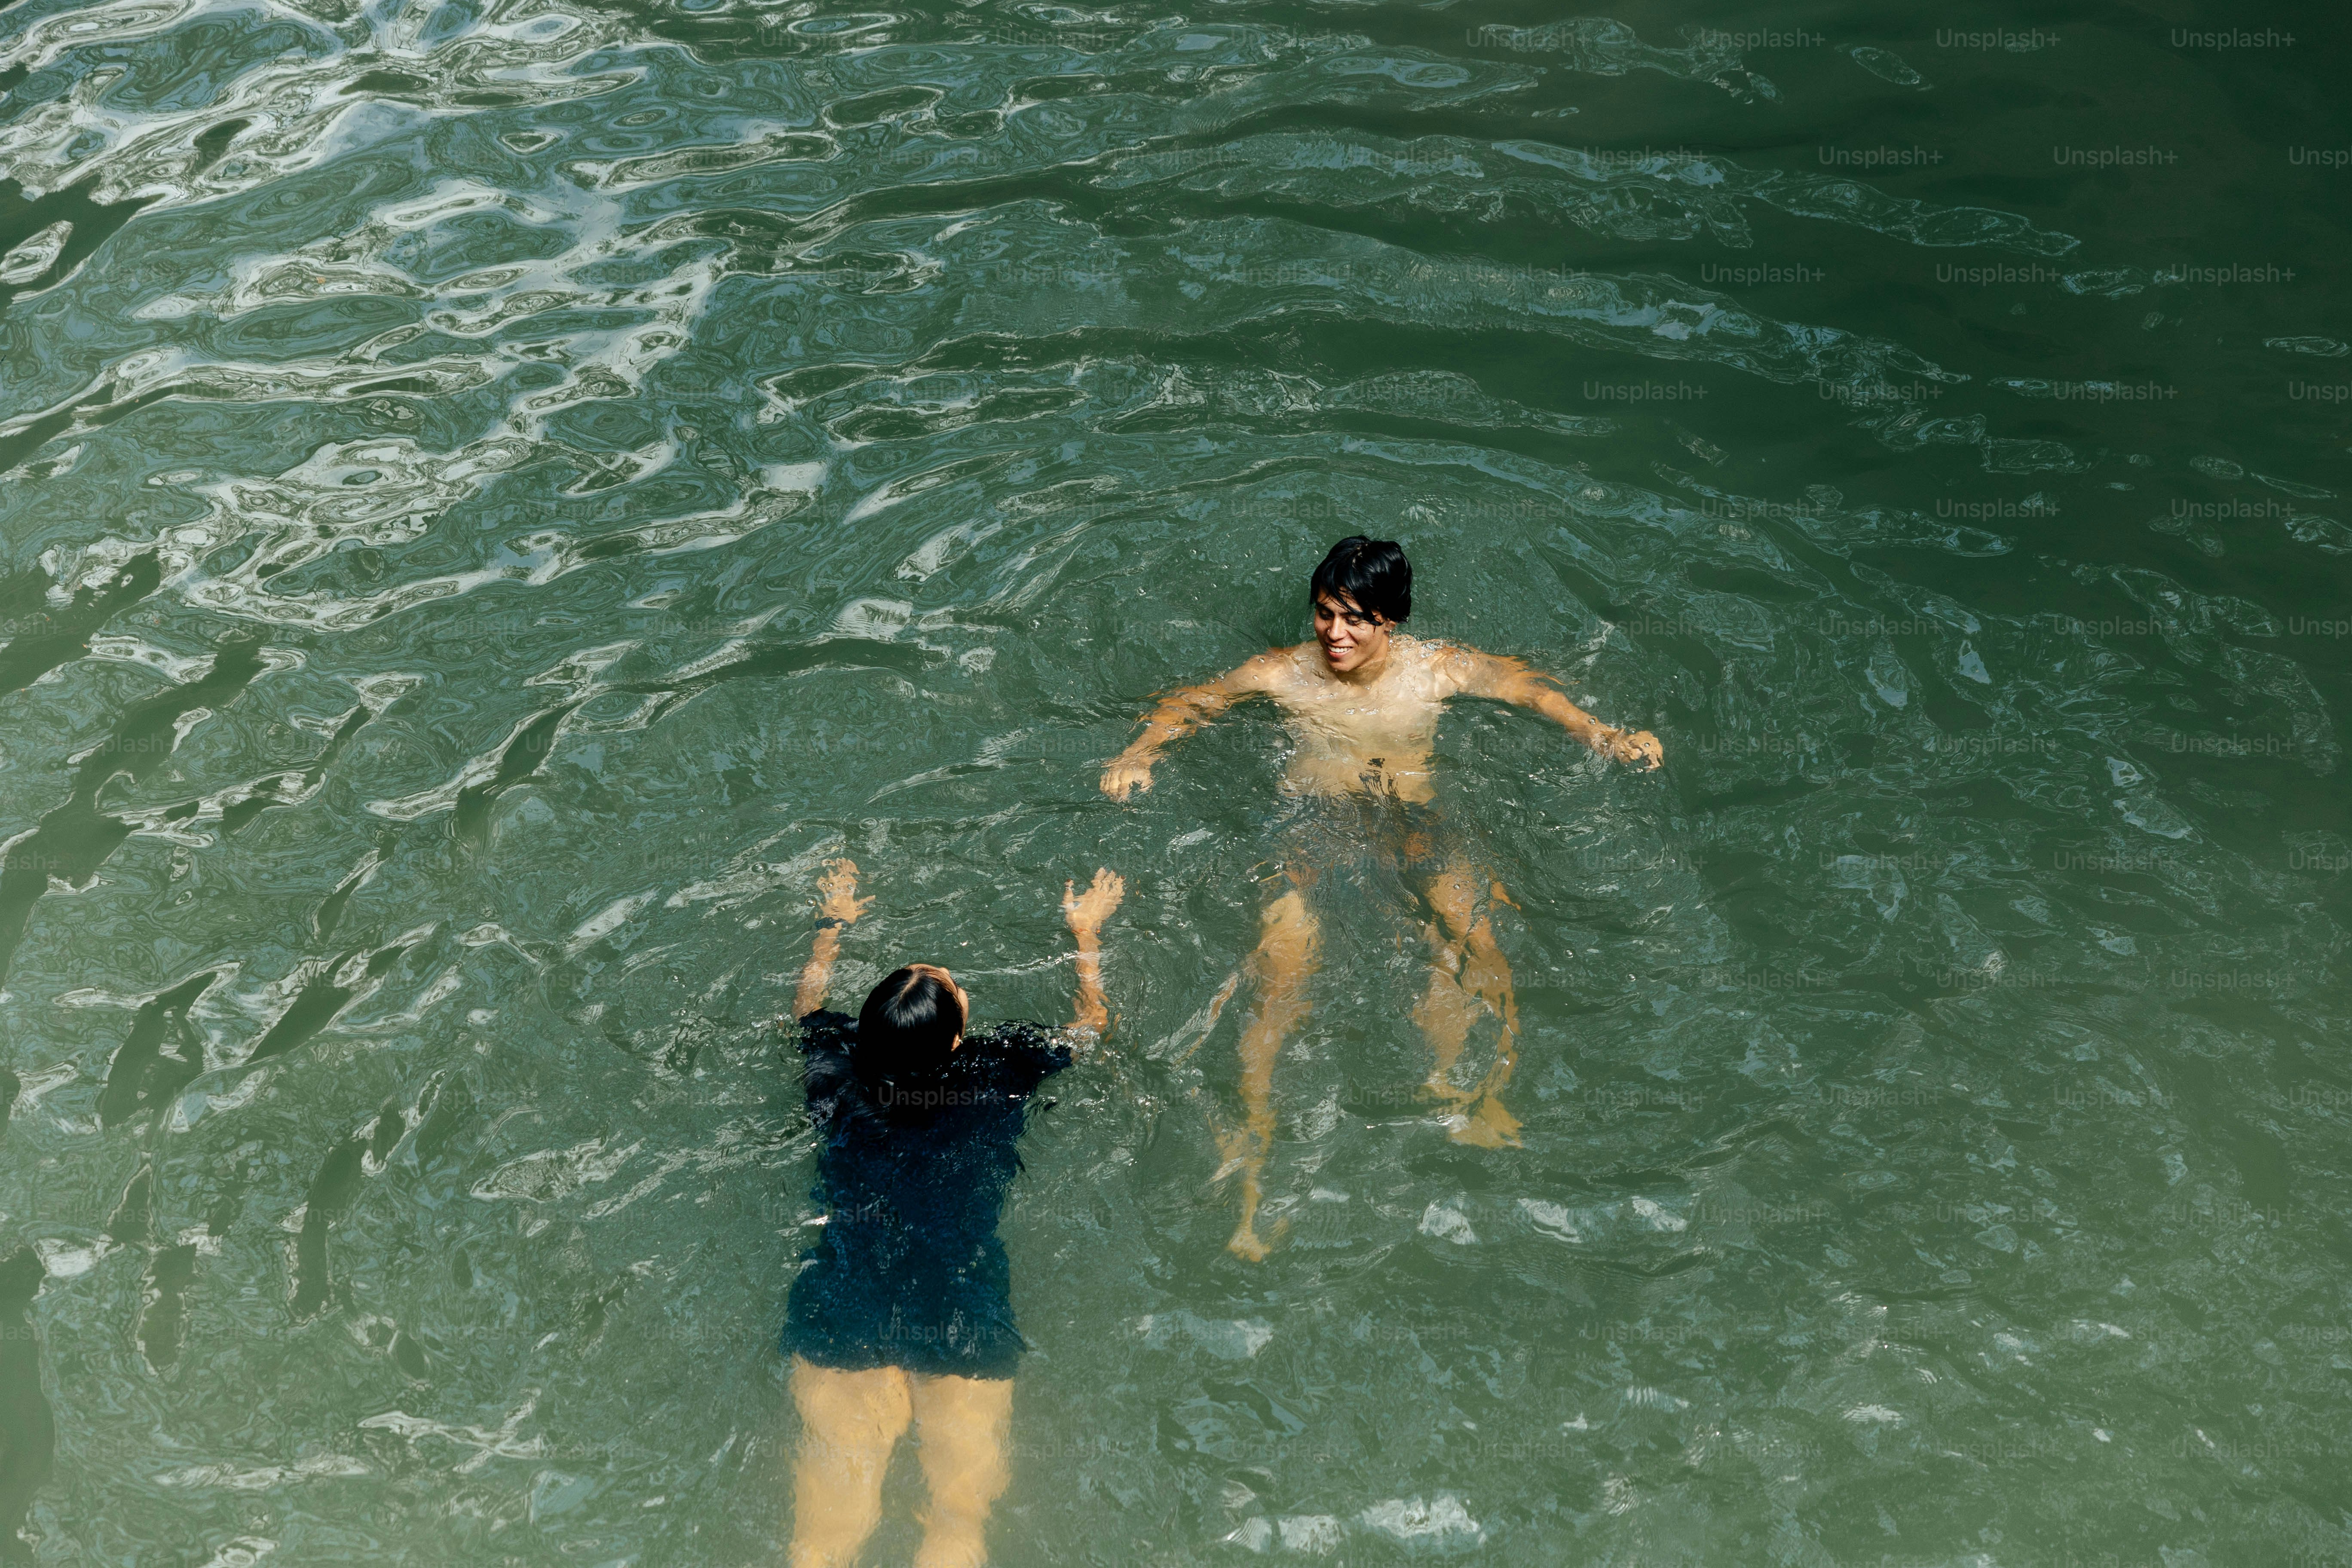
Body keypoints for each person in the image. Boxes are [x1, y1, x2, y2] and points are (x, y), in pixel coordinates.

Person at [1100, 536, 1661, 1259]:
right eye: (1325, 613)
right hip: (1313, 830)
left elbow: (1526, 688)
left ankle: (1473, 1099)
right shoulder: (1284, 674)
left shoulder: (1435, 669)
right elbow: (1193, 701)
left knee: (1477, 943)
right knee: (1279, 978)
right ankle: (1253, 1146)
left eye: (1355, 619)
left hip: (1413, 827)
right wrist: (1140, 753)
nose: (1334, 634)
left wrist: (1602, 734)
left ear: (1390, 620)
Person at [778, 857, 1125, 1568]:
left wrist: (831, 927)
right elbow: (1093, 1028)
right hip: (959, 1308)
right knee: (957, 1527)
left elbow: (806, 1009)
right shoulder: (1003, 1068)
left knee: (821, 1545)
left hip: (847, 1302)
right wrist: (1086, 935)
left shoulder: (834, 1066)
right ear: (958, 1039)